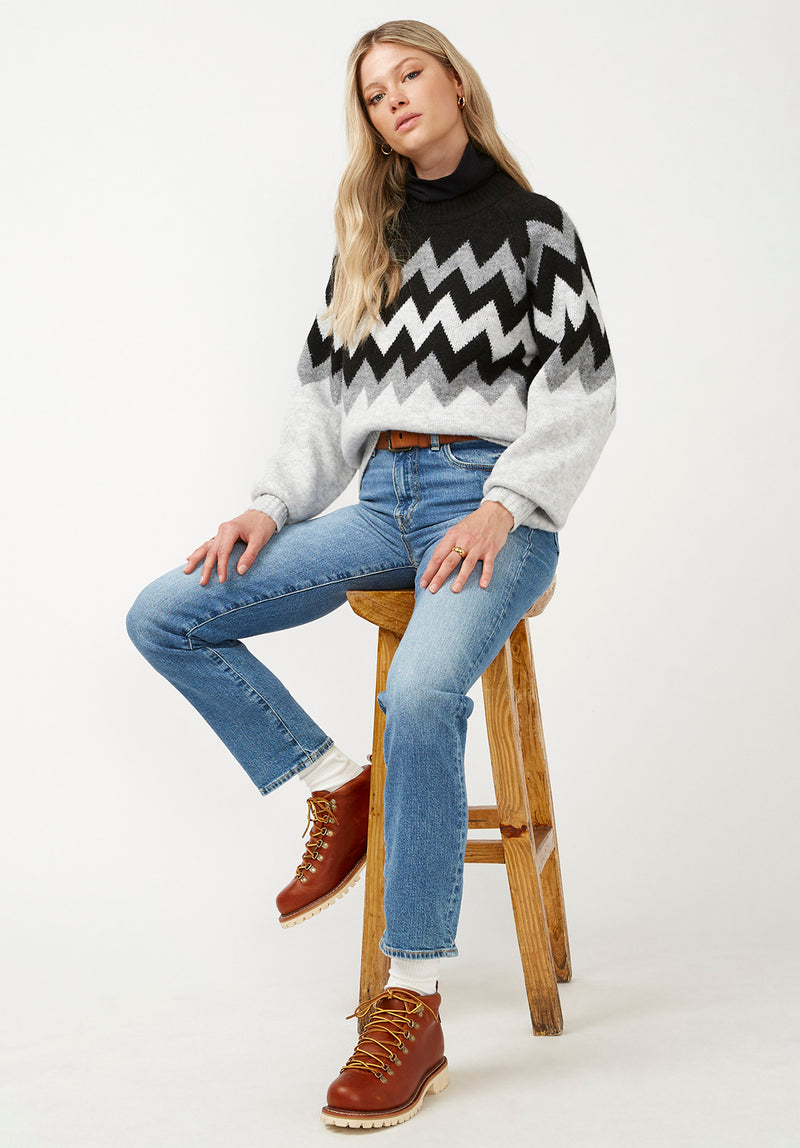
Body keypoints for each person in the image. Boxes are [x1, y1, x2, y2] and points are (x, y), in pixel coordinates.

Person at [126, 18, 616, 1129]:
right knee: (166, 614)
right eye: (374, 92)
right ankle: (335, 782)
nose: (394, 97)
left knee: (422, 693)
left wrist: (505, 504)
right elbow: (320, 398)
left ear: (454, 83)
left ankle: (414, 999)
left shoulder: (533, 227)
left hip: (493, 506)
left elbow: (583, 392)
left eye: (409, 74)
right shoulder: (370, 237)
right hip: (382, 501)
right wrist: (268, 503)